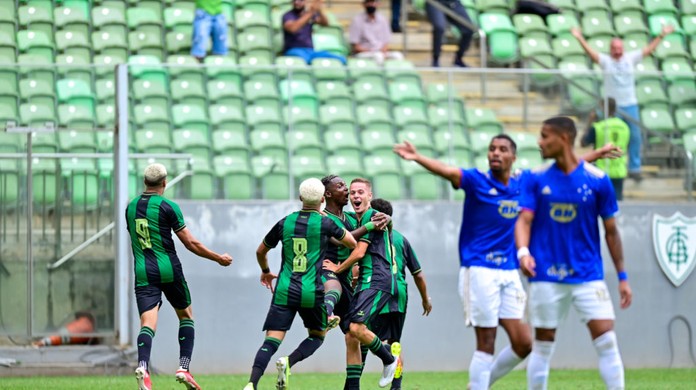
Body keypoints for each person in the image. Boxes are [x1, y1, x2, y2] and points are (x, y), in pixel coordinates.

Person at [393, 137, 621, 390]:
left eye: (502, 150)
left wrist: (596, 154)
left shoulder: (524, 182)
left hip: (510, 271)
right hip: (479, 269)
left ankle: (481, 383)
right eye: (492, 149)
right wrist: (417, 157)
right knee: (486, 342)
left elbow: (561, 170)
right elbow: (447, 172)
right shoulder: (476, 180)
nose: (495, 154)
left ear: (514, 157)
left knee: (524, 342)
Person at [515, 116, 633, 390]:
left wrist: (623, 277)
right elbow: (524, 220)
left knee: (606, 340)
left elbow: (612, 232)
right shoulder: (536, 177)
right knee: (543, 344)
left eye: (545, 136)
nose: (539, 142)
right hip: (545, 274)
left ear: (564, 138)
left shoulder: (599, 181)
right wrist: (523, 252)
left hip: (588, 274)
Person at [126, 163, 233, 390]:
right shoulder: (168, 206)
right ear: (165, 182)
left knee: (148, 322)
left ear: (145, 182)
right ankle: (184, 367)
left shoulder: (131, 207)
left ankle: (143, 366)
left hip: (143, 270)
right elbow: (190, 242)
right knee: (185, 316)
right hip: (168, 269)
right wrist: (218, 258)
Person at [244, 178, 357, 390]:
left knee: (271, 341)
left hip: (285, 289)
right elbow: (351, 243)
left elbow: (261, 251)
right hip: (310, 291)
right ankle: (289, 361)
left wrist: (267, 272)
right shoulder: (326, 223)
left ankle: (251, 384)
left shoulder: (285, 222)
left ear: (300, 198)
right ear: (323, 199)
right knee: (317, 335)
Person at [323, 178, 401, 389]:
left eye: (361, 192)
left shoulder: (371, 216)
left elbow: (358, 252)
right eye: (353, 193)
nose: (356, 196)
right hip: (366, 280)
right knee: (352, 334)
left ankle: (389, 359)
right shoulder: (356, 220)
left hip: (377, 279)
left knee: (356, 328)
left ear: (370, 196)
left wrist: (338, 269)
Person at [571, 24, 674, 181]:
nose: (618, 51)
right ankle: (609, 166)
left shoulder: (630, 59)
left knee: (635, 136)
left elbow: (648, 50)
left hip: (630, 104)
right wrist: (579, 38)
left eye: (620, 48)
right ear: (610, 49)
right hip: (613, 108)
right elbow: (591, 54)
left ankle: (634, 168)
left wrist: (661, 35)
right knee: (611, 136)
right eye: (614, 48)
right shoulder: (606, 61)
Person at [358, 198, 432, 390]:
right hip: (400, 293)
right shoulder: (401, 239)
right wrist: (426, 299)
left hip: (380, 289)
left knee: (367, 335)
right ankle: (396, 386)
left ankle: (387, 361)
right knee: (395, 342)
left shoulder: (371, 237)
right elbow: (418, 274)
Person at [581, 98, 630, 201]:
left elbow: (583, 143)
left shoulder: (598, 127)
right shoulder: (625, 126)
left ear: (603, 108)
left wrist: (590, 122)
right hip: (619, 171)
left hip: (600, 171)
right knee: (616, 207)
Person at [282, 0, 347, 64]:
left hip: (310, 51)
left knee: (340, 59)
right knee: (306, 61)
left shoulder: (309, 14)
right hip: (293, 50)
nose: (297, 2)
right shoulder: (288, 16)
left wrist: (319, 10)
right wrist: (311, 12)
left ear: (305, 1)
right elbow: (293, 28)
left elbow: (325, 23)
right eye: (294, 0)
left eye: (300, 0)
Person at [348, 0, 404, 65]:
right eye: (369, 2)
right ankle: (380, 75)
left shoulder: (383, 19)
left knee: (398, 56)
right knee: (378, 56)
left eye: (373, 2)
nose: (371, 5)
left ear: (378, 4)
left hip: (380, 52)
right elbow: (356, 46)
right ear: (364, 4)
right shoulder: (357, 20)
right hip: (363, 53)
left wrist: (383, 51)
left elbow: (386, 42)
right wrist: (371, 51)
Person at [425, 0, 475, 67]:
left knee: (469, 29)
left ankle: (458, 59)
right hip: (434, 2)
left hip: (454, 3)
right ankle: (435, 59)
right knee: (439, 27)